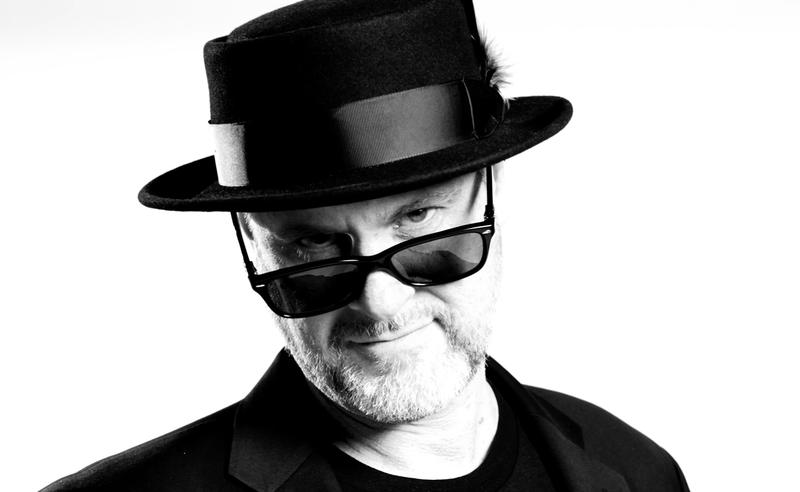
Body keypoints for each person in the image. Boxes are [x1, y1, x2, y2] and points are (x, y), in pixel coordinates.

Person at [43, 0, 690, 490]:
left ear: (489, 194)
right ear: (251, 244)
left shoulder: (637, 470)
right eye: (312, 246)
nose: (379, 302)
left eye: (418, 220)